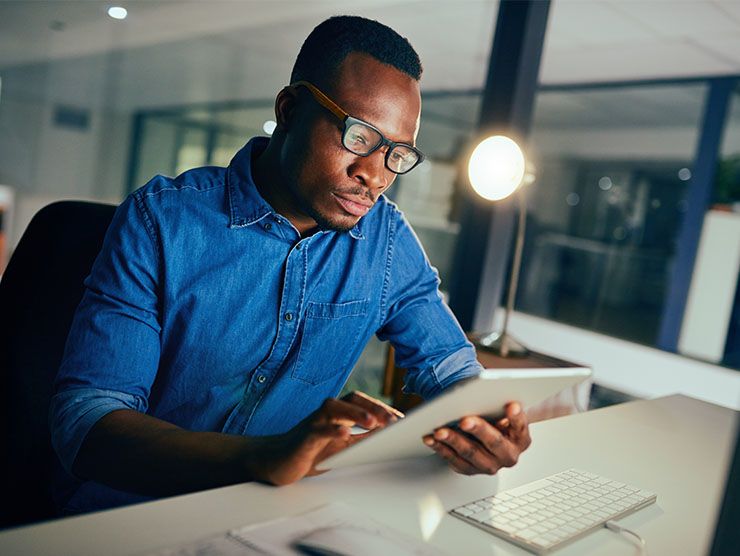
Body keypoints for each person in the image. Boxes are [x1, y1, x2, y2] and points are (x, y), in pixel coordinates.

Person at [50, 15, 531, 515]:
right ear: (290, 108)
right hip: (127, 517)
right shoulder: (160, 221)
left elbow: (450, 369)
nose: (375, 176)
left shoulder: (386, 240)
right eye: (359, 138)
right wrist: (263, 457)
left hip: (278, 518)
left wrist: (486, 424)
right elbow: (86, 423)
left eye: (397, 154)